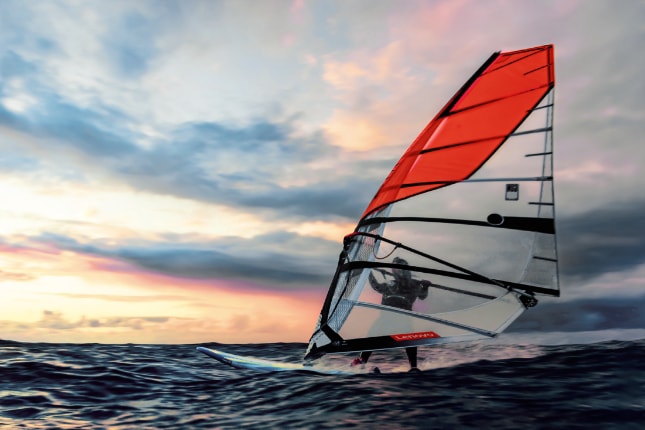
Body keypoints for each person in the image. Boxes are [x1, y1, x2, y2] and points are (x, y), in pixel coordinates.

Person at [351, 257, 431, 372]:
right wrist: (368, 273)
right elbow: (376, 286)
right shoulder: (390, 283)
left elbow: (422, 296)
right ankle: (362, 361)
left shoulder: (414, 284)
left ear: (404, 269)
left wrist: (425, 287)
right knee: (372, 336)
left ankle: (413, 367)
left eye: (397, 268)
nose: (394, 270)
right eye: (393, 268)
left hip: (403, 317)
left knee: (410, 338)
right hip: (385, 317)